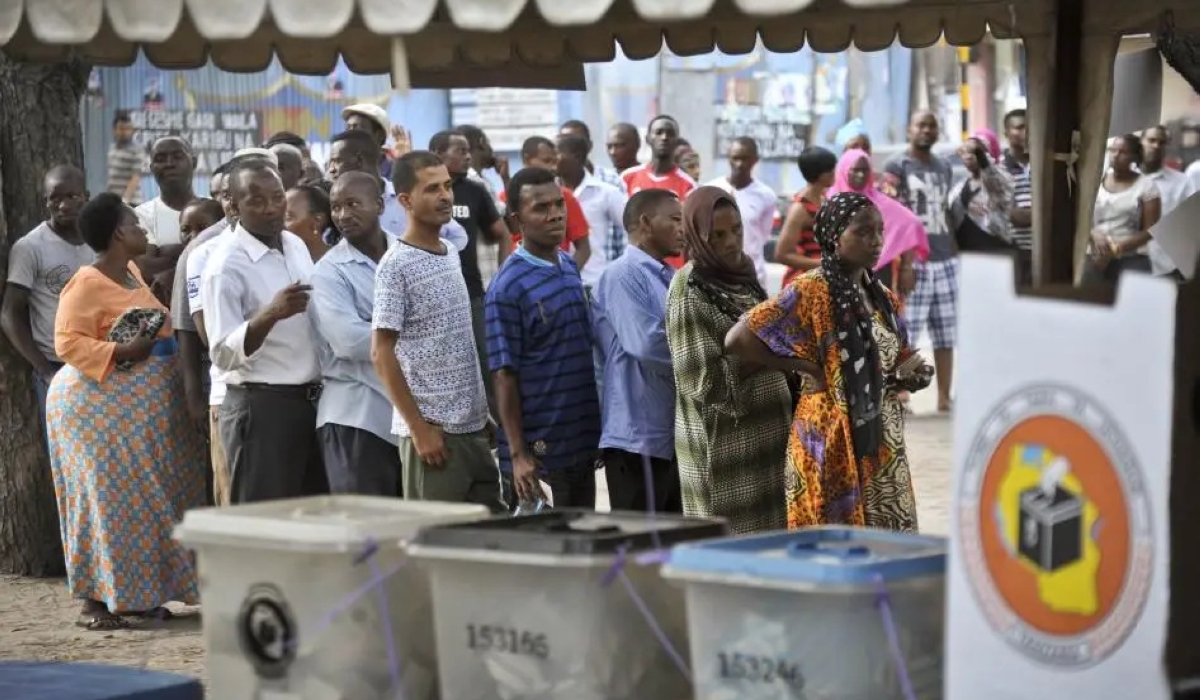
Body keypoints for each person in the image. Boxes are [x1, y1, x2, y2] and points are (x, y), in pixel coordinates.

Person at [727, 192, 931, 532]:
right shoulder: (810, 289)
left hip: (879, 440)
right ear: (835, 236)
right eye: (864, 232)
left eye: (880, 231)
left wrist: (914, 374)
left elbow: (900, 356)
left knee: (884, 543)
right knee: (832, 543)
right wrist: (807, 367)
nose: (877, 241)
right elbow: (738, 339)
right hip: (828, 438)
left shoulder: (882, 296)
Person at [47, 192, 204, 630]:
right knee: (104, 502)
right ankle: (93, 603)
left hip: (135, 414)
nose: (144, 230)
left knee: (142, 501)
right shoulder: (86, 282)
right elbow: (67, 342)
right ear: (119, 234)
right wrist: (121, 349)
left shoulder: (130, 271)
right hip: (97, 411)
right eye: (136, 224)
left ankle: (135, 596)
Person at [371, 151, 503, 512]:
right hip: (434, 438)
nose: (445, 195)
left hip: (472, 429)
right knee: (437, 549)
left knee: (486, 544)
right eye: (432, 189)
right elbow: (381, 353)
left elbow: (455, 339)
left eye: (446, 186)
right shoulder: (395, 266)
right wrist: (419, 430)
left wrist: (480, 412)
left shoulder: (448, 251)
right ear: (406, 200)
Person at [666, 186, 791, 533]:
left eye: (736, 230)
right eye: (717, 235)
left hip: (767, 438)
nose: (731, 242)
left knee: (771, 544)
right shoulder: (688, 289)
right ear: (697, 235)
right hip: (724, 451)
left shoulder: (743, 276)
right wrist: (764, 353)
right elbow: (702, 380)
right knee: (732, 547)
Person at [201, 159, 328, 503]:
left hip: (310, 404)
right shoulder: (225, 265)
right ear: (234, 204)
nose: (271, 208)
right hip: (262, 409)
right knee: (265, 524)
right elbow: (222, 354)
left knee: (312, 520)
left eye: (277, 197)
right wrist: (269, 315)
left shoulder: (295, 244)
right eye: (257, 201)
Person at [486, 167, 602, 509]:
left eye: (559, 204)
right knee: (547, 555)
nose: (555, 215)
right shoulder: (507, 287)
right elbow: (504, 376)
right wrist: (520, 455)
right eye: (541, 208)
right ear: (517, 219)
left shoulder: (567, 266)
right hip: (540, 456)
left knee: (584, 550)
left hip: (578, 442)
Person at [310, 172, 402, 496]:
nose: (343, 215)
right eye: (336, 207)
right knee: (364, 534)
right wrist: (418, 335)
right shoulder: (329, 271)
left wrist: (381, 329)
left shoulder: (406, 254)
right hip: (357, 417)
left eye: (352, 204)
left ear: (378, 205)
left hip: (406, 418)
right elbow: (348, 341)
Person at [595, 189, 683, 512]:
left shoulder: (668, 277)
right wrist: (701, 358)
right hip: (637, 436)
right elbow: (646, 344)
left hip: (667, 433)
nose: (683, 229)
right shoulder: (624, 274)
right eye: (675, 220)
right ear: (645, 222)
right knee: (637, 542)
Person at [1, 166, 95, 433]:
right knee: (66, 450)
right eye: (55, 198)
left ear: (86, 196)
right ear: (45, 201)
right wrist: (44, 371)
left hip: (101, 362)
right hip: (57, 367)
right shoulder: (31, 247)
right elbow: (10, 314)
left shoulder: (98, 241)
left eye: (72, 196)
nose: (63, 205)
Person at [429, 129, 511, 414]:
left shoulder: (474, 189)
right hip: (432, 298)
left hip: (472, 294)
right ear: (438, 154)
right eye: (460, 151)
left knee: (488, 364)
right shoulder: (423, 189)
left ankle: (499, 431)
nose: (467, 157)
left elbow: (502, 233)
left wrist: (502, 279)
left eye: (468, 151)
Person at [883, 111, 956, 412]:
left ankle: (944, 398)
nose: (927, 131)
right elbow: (892, 214)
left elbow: (947, 209)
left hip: (945, 258)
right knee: (907, 330)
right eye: (921, 125)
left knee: (945, 332)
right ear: (909, 130)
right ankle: (903, 395)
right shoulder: (897, 165)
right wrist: (906, 263)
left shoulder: (944, 166)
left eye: (932, 126)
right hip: (914, 260)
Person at [329, 129, 468, 252]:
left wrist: (425, 262)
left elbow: (457, 236)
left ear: (359, 160)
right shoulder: (335, 206)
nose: (331, 169)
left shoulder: (407, 197)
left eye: (336, 161)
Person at [830, 148, 927, 296]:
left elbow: (910, 225)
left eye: (865, 170)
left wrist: (906, 267)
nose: (861, 175)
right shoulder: (830, 200)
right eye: (855, 170)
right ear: (843, 171)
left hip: (877, 275)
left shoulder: (879, 202)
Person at [499, 136, 591, 271]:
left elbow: (584, 248)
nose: (553, 167)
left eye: (555, 161)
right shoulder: (501, 198)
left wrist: (565, 277)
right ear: (527, 159)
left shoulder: (565, 196)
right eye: (547, 161)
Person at [622, 115, 697, 269]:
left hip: (670, 272)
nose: (664, 137)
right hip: (633, 266)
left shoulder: (688, 185)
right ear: (648, 138)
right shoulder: (628, 178)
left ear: (677, 140)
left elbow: (690, 234)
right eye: (659, 132)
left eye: (670, 133)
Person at [1085, 134, 1162, 284]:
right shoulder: (1097, 179)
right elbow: (1081, 216)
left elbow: (1151, 230)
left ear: (1134, 157)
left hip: (1130, 256)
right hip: (1093, 252)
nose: (1116, 156)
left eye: (1123, 152)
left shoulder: (1147, 186)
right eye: (1113, 151)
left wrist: (1115, 249)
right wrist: (1093, 234)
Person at [557, 133, 628, 288]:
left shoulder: (606, 193)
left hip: (594, 283)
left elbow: (633, 228)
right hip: (558, 284)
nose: (552, 160)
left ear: (575, 156)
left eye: (557, 154)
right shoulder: (550, 194)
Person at [706, 137, 778, 289]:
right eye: (735, 158)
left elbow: (763, 234)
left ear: (755, 160)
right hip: (717, 274)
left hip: (752, 276)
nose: (739, 164)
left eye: (745, 158)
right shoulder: (710, 189)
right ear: (729, 159)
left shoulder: (766, 195)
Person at [134, 136, 195, 280]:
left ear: (194, 162)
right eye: (160, 159)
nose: (169, 164)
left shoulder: (213, 210)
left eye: (177, 156)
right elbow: (145, 270)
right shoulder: (140, 216)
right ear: (151, 168)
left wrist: (167, 253)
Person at [775, 146, 837, 287]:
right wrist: (822, 264)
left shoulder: (823, 199)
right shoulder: (800, 209)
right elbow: (782, 254)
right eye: (830, 170)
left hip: (824, 280)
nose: (834, 173)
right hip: (805, 284)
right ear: (819, 174)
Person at [1141, 125, 1196, 279]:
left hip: (1165, 267)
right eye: (1151, 140)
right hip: (1124, 263)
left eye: (1161, 142)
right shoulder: (1124, 178)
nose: (1156, 146)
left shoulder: (1182, 183)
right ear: (1141, 142)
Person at [947, 136, 1015, 253]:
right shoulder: (959, 187)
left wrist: (980, 154)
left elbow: (993, 177)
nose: (969, 156)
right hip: (967, 253)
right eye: (965, 153)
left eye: (974, 152)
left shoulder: (999, 180)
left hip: (995, 250)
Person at [1000, 109, 1034, 284]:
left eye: (1028, 127)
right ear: (1006, 132)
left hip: (1045, 252)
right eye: (1019, 128)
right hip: (1015, 250)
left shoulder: (1041, 163)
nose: (1025, 133)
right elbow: (1012, 216)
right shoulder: (999, 169)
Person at [558, 119, 625, 188]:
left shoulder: (611, 179)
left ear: (590, 145)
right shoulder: (554, 183)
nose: (573, 147)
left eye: (579, 143)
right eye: (566, 143)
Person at [343, 103, 395, 180]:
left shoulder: (395, 174)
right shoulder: (341, 170)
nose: (350, 133)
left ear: (379, 135)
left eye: (356, 128)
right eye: (348, 128)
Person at [285, 183, 334, 261]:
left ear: (317, 221)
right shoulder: (280, 262)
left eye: (287, 218)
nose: (278, 223)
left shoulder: (341, 267)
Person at [106, 111, 143, 205]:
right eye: (121, 129)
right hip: (114, 201)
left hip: (131, 202)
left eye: (128, 129)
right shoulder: (112, 148)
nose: (125, 132)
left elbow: (135, 177)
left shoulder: (136, 151)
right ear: (114, 130)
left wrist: (125, 200)